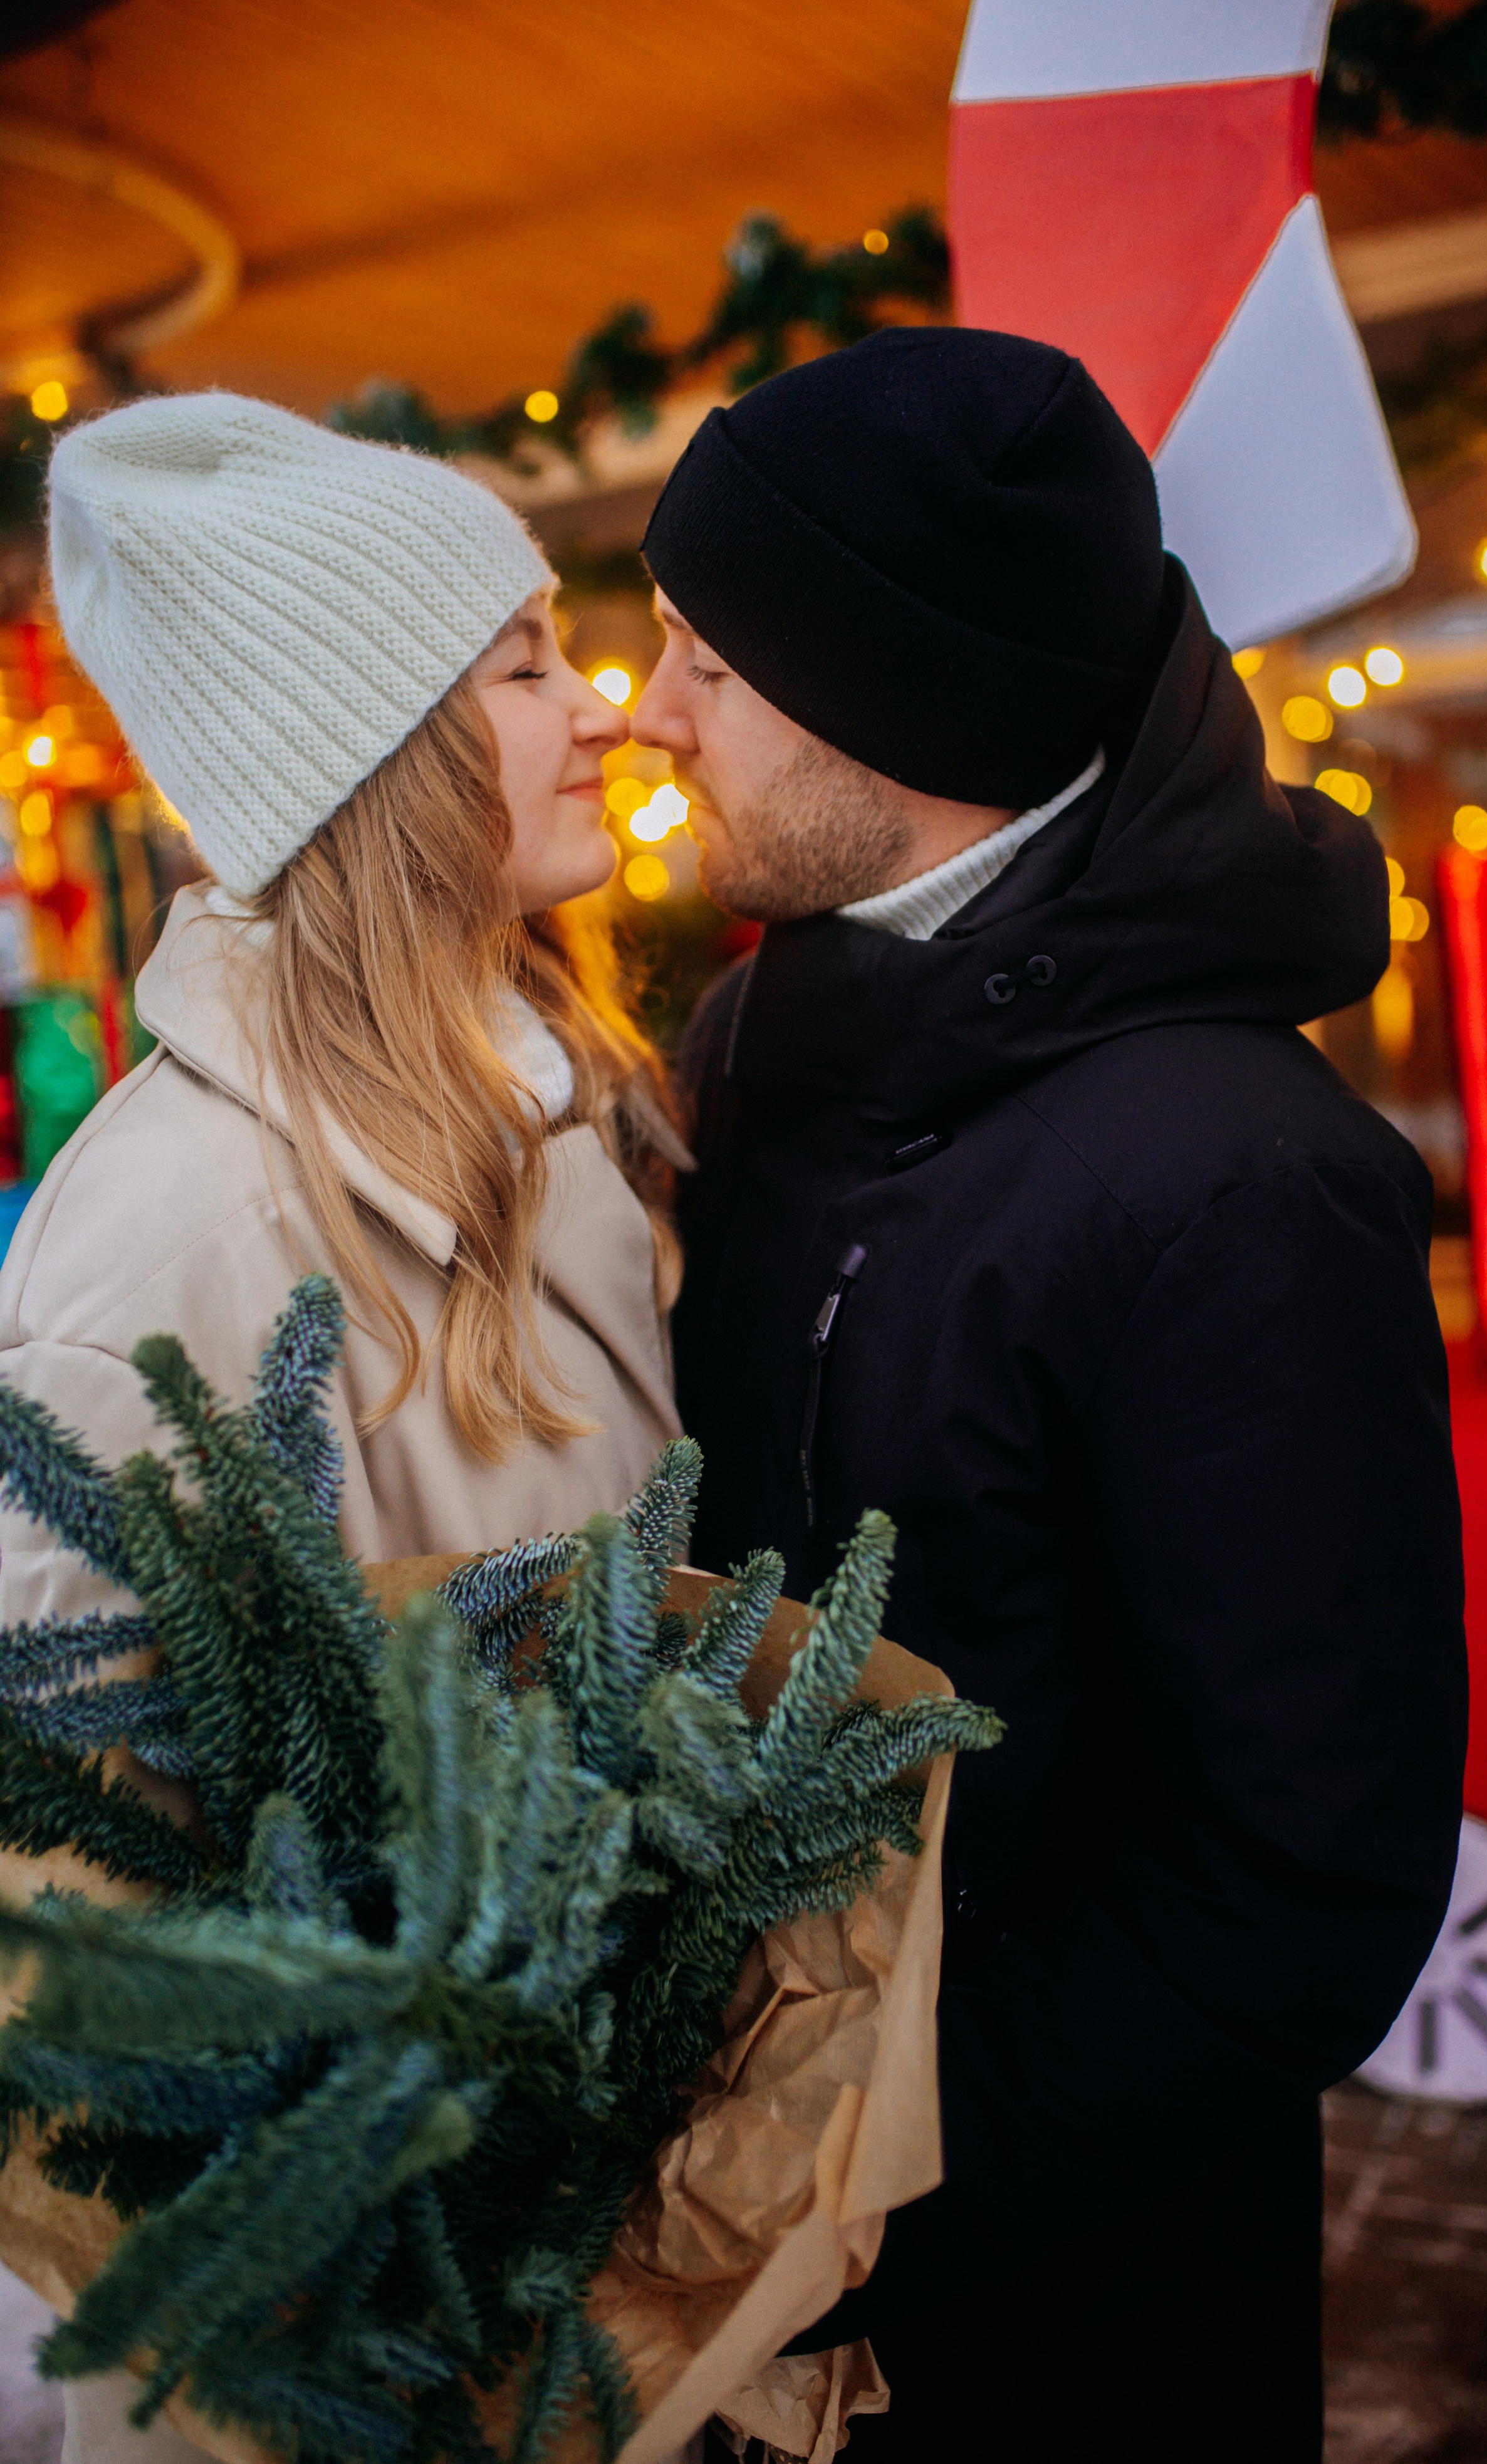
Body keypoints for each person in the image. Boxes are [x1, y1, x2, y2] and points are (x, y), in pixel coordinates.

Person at [633, 327, 1468, 2461]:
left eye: (706, 662)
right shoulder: (754, 1054)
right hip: (752, 2305)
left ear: (893, 703)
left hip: (1070, 2321)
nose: (654, 717)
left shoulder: (1239, 1180)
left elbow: (1304, 1881)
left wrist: (853, 2176)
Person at [0, 392, 684, 2464]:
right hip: (346, 2327)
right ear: (375, 749)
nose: (605, 711)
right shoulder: (171, 1226)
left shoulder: (561, 1089)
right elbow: (81, 1881)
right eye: (528, 663)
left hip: (601, 2251)